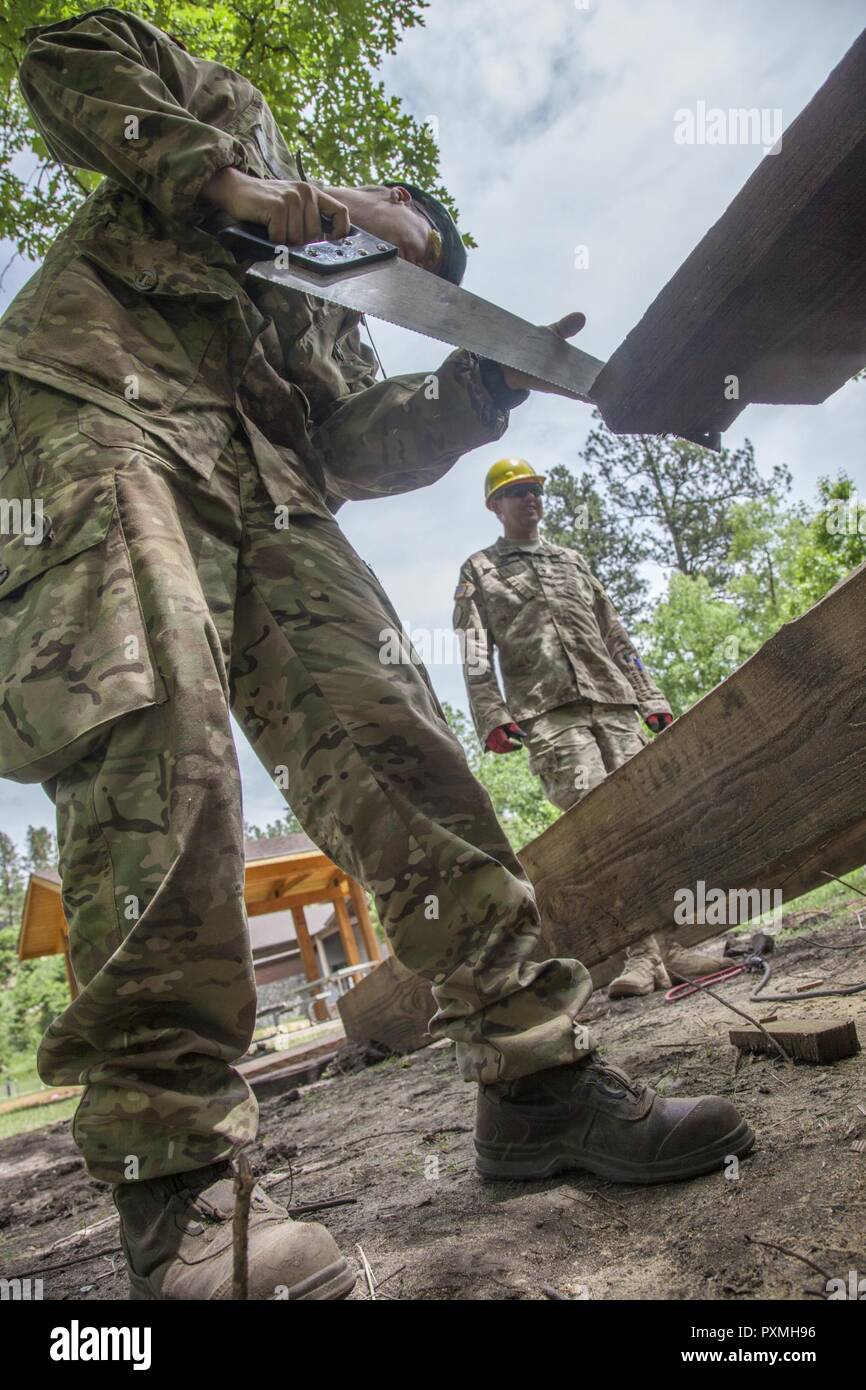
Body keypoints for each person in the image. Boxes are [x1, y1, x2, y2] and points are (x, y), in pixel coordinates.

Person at [0, 8, 752, 1301]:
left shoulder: (330, 298)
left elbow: (348, 442)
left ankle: (539, 1079)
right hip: (99, 407)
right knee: (162, 744)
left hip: (274, 490)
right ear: (374, 196)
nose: (384, 243)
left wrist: (477, 389)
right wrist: (250, 189)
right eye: (395, 224)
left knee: (394, 732)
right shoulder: (220, 106)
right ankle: (171, 1183)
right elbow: (64, 62)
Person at [452, 458, 730, 997]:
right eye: (517, 492)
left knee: (648, 820)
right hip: (549, 717)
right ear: (495, 506)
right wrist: (492, 714)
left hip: (615, 705)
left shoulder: (572, 562)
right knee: (599, 828)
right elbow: (473, 651)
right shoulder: (480, 570)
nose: (530, 499)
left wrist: (649, 695)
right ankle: (641, 956)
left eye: (535, 490)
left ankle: (677, 948)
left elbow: (617, 635)